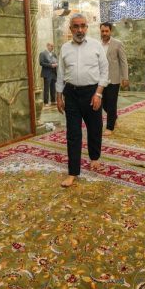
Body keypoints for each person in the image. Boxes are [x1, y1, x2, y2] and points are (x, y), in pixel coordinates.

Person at [56, 14, 109, 187]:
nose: (80, 30)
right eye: (76, 26)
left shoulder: (96, 46)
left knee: (94, 129)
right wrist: (59, 96)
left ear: (87, 27)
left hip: (92, 93)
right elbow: (61, 74)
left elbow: (104, 71)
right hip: (71, 94)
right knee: (73, 133)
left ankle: (94, 158)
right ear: (70, 29)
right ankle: (72, 172)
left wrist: (98, 94)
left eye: (83, 26)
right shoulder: (64, 48)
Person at [99, 22, 129, 136]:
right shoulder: (97, 45)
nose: (104, 33)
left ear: (110, 31)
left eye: (107, 31)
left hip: (114, 78)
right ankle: (114, 117)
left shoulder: (118, 44)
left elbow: (123, 61)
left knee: (111, 103)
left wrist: (125, 77)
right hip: (101, 79)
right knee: (103, 103)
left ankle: (110, 127)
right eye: (102, 31)